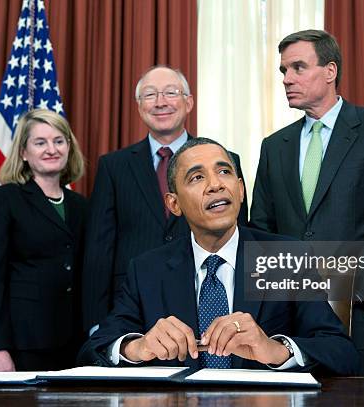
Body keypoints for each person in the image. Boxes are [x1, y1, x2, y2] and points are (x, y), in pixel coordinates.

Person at [78, 137, 359, 375]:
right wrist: (137, 347)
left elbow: (342, 352)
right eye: (197, 177)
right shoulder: (147, 269)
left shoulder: (288, 258)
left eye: (224, 172)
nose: (215, 185)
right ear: (174, 204)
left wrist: (276, 350)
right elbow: (93, 350)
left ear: (240, 188)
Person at [250, 30, 364, 375]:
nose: (286, 79)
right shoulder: (274, 145)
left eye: (297, 67)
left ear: (330, 71)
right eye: (283, 71)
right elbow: (262, 230)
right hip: (294, 326)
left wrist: (352, 293)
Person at [83, 66, 248, 332]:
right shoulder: (114, 166)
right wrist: (96, 323)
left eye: (171, 92)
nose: (160, 102)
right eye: (150, 95)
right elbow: (99, 250)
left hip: (207, 299)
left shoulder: (226, 161)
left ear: (189, 102)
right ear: (139, 107)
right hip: (134, 308)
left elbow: (239, 238)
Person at [0, 109, 88, 371]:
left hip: (74, 342)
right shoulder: (4, 200)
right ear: (24, 153)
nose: (51, 149)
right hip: (22, 343)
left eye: (59, 141)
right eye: (40, 142)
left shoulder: (82, 205)